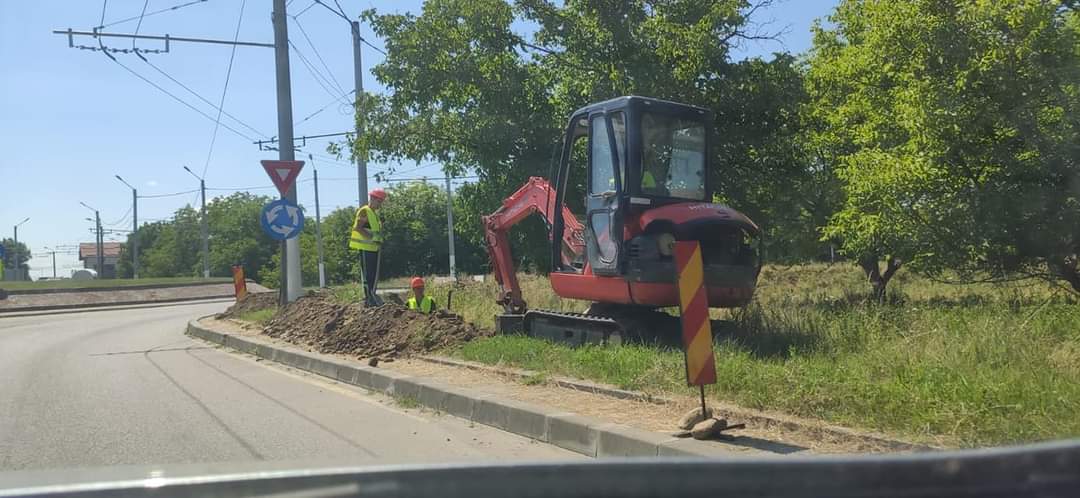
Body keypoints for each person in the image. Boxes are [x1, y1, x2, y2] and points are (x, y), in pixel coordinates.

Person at [350, 188, 387, 306]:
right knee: (368, 276)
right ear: (372, 198)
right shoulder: (365, 211)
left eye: (381, 202)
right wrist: (372, 238)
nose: (380, 204)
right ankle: (369, 298)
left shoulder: (373, 214)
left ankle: (372, 295)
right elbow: (358, 228)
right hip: (366, 248)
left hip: (373, 249)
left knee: (373, 275)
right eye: (379, 201)